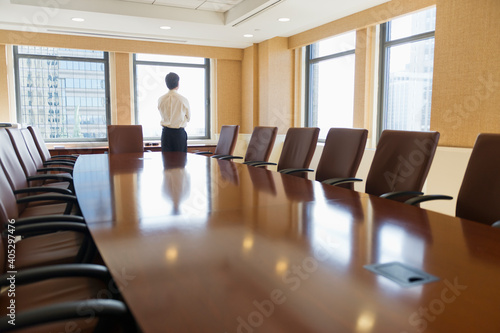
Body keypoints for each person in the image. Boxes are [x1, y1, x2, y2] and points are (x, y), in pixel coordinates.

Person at [158, 72, 190, 152]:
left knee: (166, 161)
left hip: (166, 134)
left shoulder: (160, 99)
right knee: (180, 162)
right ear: (178, 83)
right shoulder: (183, 100)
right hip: (179, 135)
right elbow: (188, 118)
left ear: (166, 83)